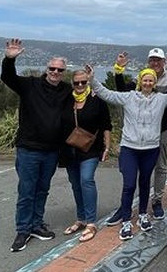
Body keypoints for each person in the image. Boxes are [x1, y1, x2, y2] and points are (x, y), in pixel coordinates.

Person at [88, 63, 167, 240]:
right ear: (140, 81)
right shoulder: (129, 97)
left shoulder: (161, 99)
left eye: (151, 80)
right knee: (129, 185)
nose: (148, 83)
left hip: (150, 149)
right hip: (130, 148)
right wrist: (92, 80)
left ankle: (143, 213)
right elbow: (107, 94)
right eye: (145, 79)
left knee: (144, 183)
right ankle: (126, 219)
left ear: (154, 83)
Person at [0, 39, 72, 253]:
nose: (55, 72)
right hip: (29, 149)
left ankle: (36, 225)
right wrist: (9, 59)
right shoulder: (29, 85)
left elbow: (82, 97)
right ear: (46, 69)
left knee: (42, 190)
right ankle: (23, 229)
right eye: (52, 68)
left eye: (60, 70)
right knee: (26, 191)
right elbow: (8, 77)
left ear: (64, 72)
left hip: (51, 151)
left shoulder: (67, 90)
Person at [113, 47, 167, 220]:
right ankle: (125, 206)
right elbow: (123, 91)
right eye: (152, 60)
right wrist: (119, 70)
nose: (155, 63)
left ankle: (157, 201)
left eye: (158, 60)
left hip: (162, 129)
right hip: (138, 134)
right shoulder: (142, 78)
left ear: (163, 62)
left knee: (160, 167)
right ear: (148, 62)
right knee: (132, 174)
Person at [60, 69, 113, 243]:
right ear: (72, 83)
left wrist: (107, 145)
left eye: (84, 82)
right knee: (75, 184)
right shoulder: (67, 99)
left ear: (88, 82)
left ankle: (91, 221)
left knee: (86, 180)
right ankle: (81, 218)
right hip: (69, 148)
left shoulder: (97, 100)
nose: (81, 85)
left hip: (91, 148)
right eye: (77, 82)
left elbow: (106, 124)